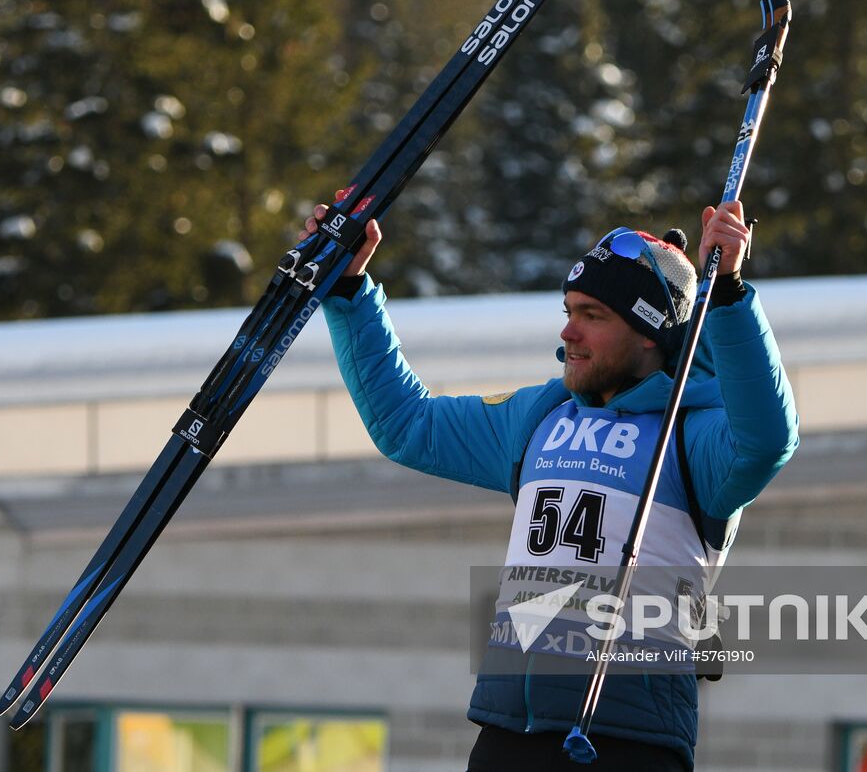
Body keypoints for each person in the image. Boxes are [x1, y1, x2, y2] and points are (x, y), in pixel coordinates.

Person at [304, 196, 798, 771]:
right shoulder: (542, 415)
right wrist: (348, 291)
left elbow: (766, 439)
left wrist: (731, 293)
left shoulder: (696, 436)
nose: (569, 331)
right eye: (569, 310)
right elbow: (407, 425)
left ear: (648, 334)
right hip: (509, 730)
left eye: (593, 315)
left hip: (627, 740)